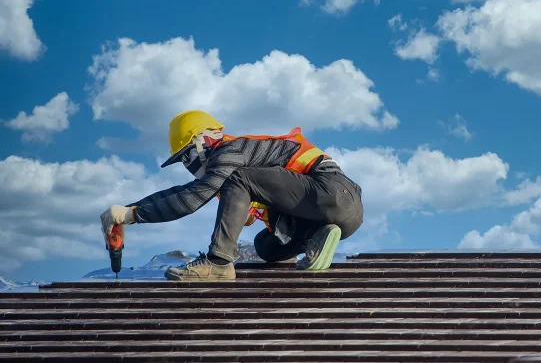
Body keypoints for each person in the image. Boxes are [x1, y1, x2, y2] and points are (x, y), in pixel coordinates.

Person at [99, 110, 364, 281]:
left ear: (202, 141)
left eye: (185, 156)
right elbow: (182, 193)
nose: (188, 165)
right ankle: (317, 236)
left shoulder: (231, 151)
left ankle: (218, 262)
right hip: (336, 212)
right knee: (266, 246)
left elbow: (193, 198)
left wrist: (134, 215)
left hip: (333, 191)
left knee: (240, 178)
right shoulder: (233, 158)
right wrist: (127, 210)